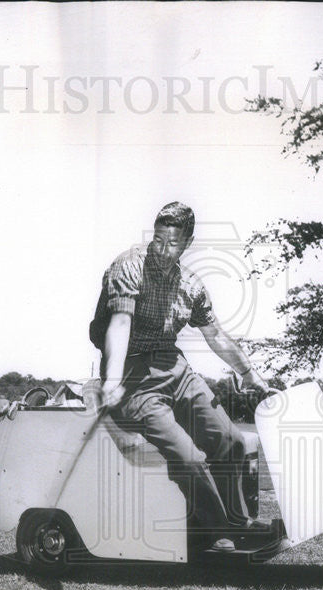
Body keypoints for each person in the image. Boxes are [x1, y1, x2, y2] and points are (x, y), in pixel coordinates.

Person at [89, 201, 282, 552]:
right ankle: (218, 531)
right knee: (188, 457)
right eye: (159, 240)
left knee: (232, 441)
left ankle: (240, 524)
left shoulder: (191, 285)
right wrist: (113, 380)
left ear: (187, 243)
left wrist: (249, 373)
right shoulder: (128, 266)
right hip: (133, 377)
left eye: (172, 243)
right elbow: (120, 322)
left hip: (176, 371)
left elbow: (216, 335)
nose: (163, 250)